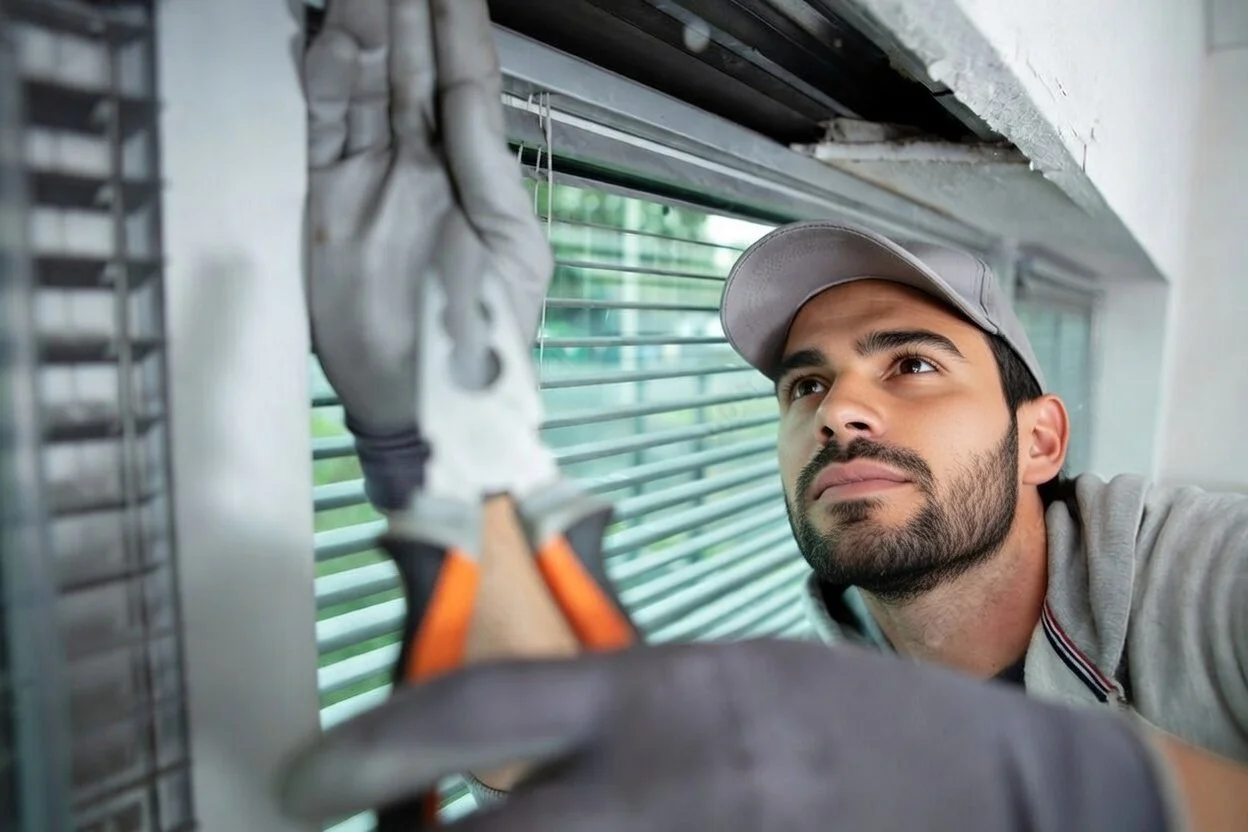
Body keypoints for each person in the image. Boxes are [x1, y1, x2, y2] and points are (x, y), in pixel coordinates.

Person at [280, 0, 1248, 829]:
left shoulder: (1208, 583)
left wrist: (1079, 788)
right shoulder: (834, 693)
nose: (842, 413)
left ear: (1040, 439)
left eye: (910, 363)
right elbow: (547, 751)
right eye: (805, 384)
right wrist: (445, 436)